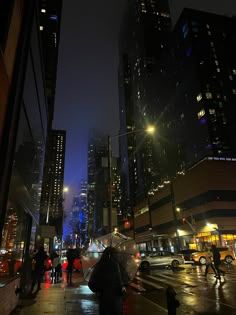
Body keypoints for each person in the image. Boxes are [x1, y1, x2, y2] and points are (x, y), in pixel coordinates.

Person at [88, 246, 129, 315]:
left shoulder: (100, 265)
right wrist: (123, 287)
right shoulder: (119, 265)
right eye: (116, 254)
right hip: (117, 299)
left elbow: (91, 283)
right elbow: (126, 280)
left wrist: (99, 291)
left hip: (105, 300)